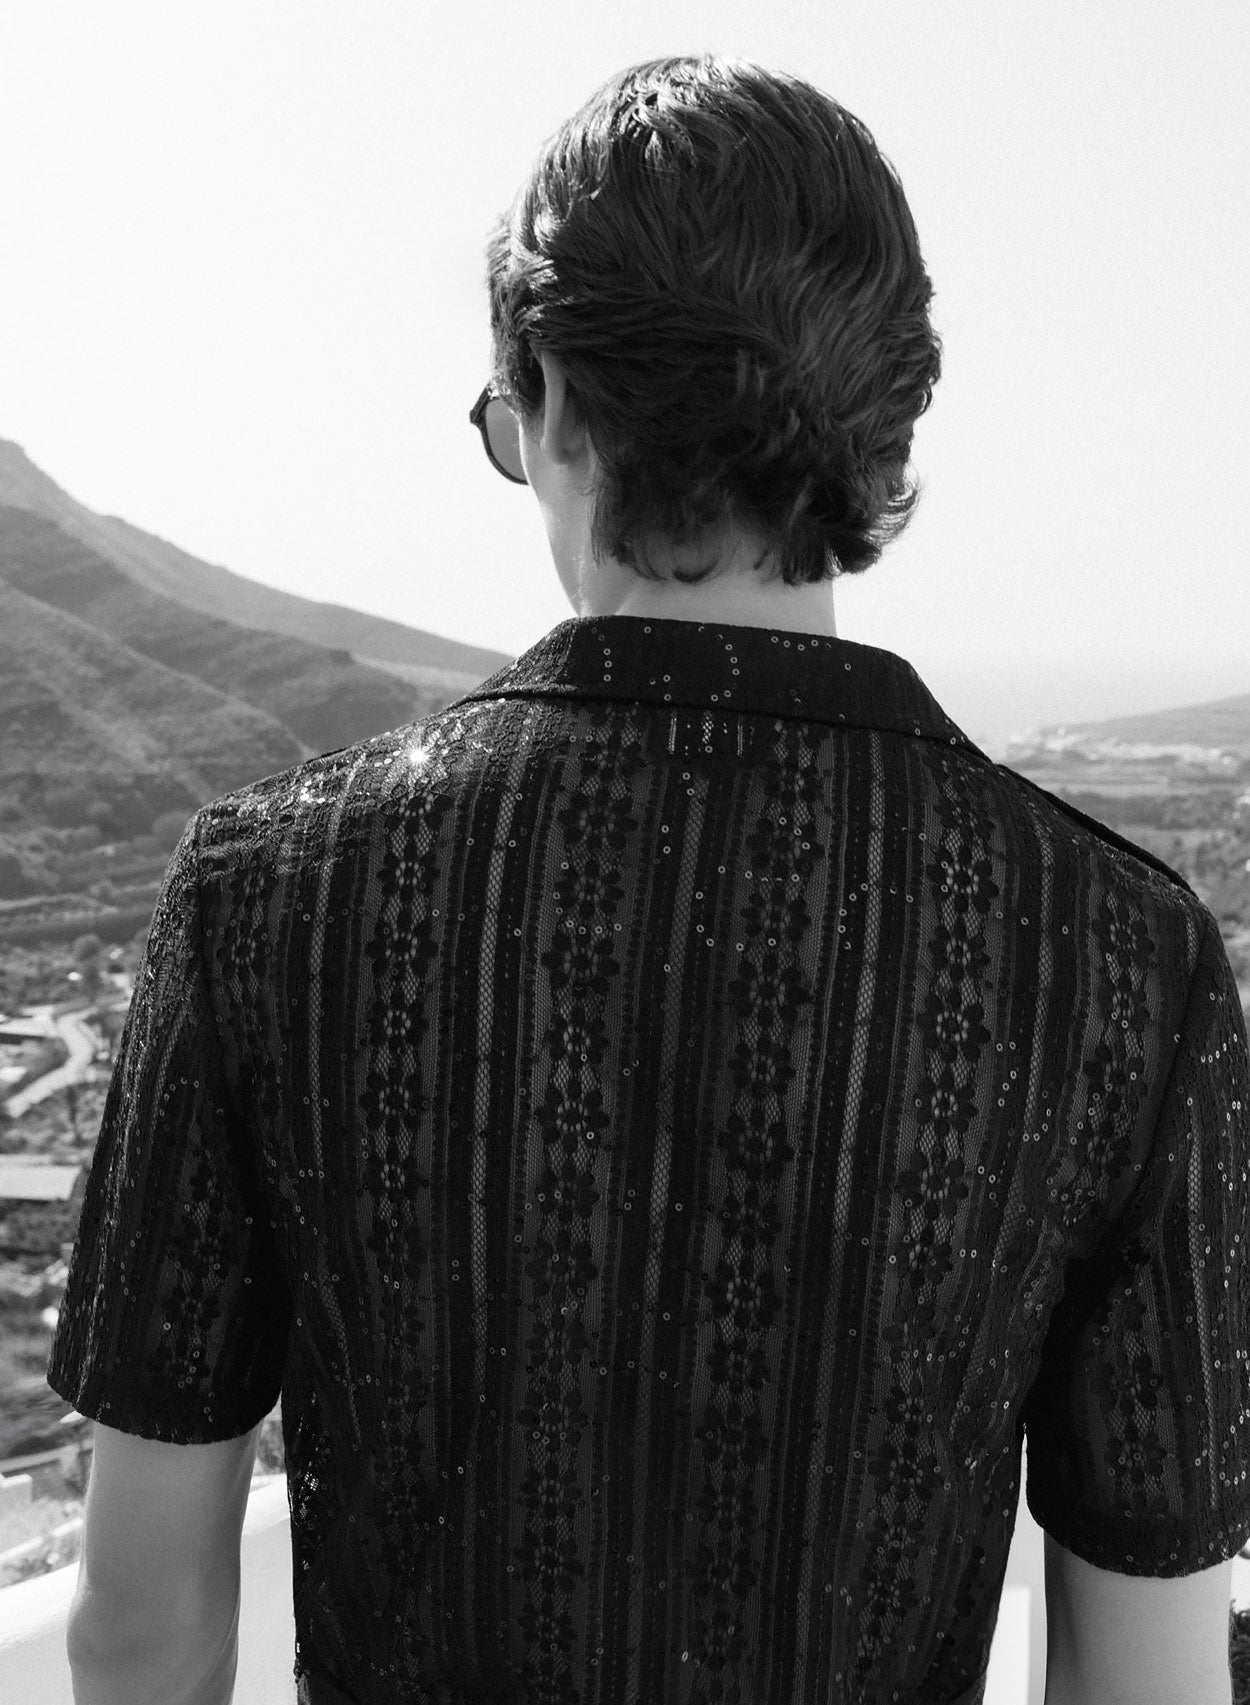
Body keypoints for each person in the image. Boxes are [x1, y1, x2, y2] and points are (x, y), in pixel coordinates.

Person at [47, 53, 1250, 1705]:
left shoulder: (268, 892)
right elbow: (1148, 1681)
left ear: (549, 402)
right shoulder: (1117, 954)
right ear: (887, 423)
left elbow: (138, 1627)